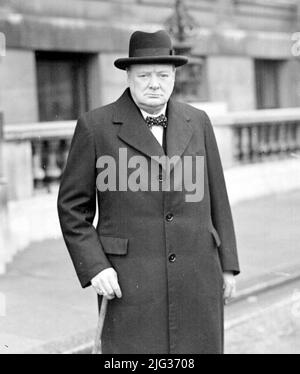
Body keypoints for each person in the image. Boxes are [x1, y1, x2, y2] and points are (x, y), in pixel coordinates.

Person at [57, 30, 240, 354]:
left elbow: (217, 198)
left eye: (163, 75)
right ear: (128, 76)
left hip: (197, 275)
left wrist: (227, 265)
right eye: (144, 76)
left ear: (173, 77)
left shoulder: (198, 121)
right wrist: (95, 266)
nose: (155, 84)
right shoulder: (95, 126)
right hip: (129, 281)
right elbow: (73, 209)